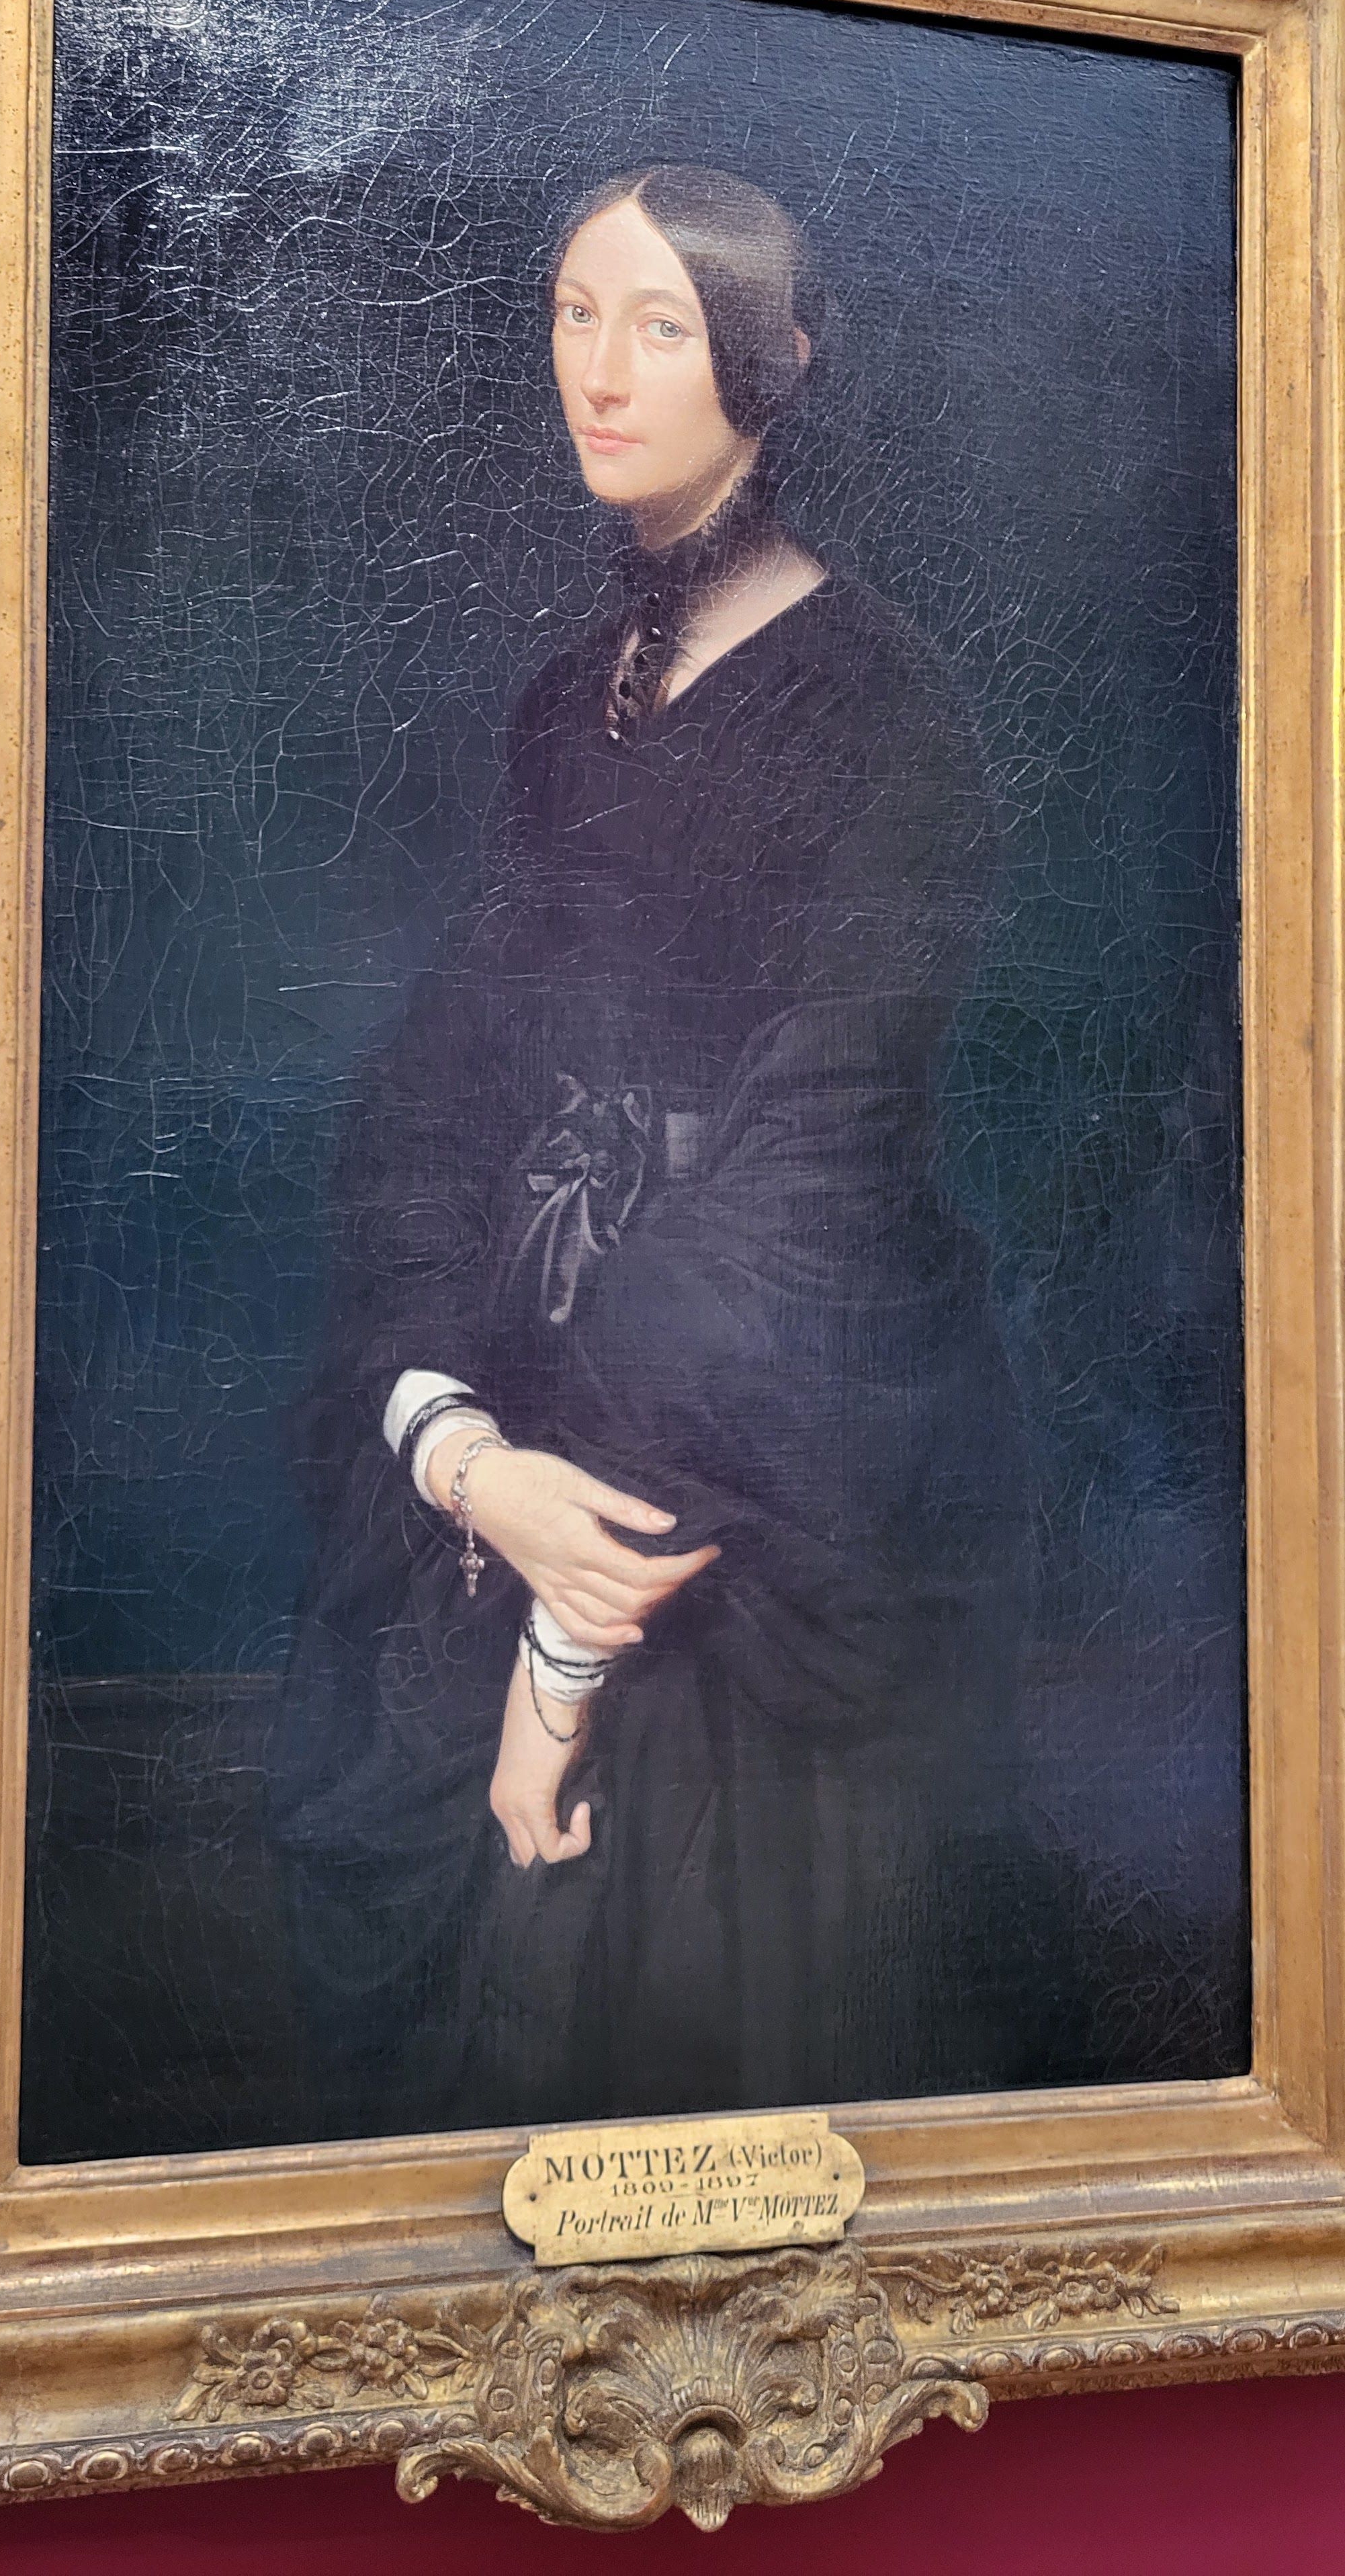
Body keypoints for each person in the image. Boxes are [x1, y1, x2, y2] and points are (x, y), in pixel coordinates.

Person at [265, 166, 1029, 2141]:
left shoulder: (886, 716)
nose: (598, 375)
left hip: (767, 1470)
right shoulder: (564, 703)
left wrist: (560, 1639)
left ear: (769, 367)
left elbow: (812, 1181)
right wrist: (452, 1437)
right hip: (523, 1433)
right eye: (573, 316)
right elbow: (439, 1094)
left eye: (661, 327)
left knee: (688, 2015)